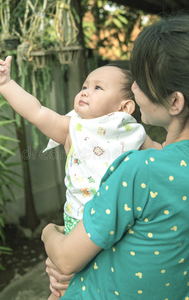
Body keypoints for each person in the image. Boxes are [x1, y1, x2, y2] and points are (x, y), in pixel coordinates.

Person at [41, 14, 189, 299]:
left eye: (142, 81)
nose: (132, 88)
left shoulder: (141, 170)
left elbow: (66, 259)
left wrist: (50, 231)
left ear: (174, 102)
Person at [0, 54, 146, 299]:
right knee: (66, 287)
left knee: (105, 286)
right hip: (81, 226)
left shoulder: (135, 134)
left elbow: (163, 156)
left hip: (122, 224)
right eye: (84, 86)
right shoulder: (73, 127)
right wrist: (5, 84)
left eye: (97, 88)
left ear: (124, 107)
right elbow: (36, 111)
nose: (84, 92)